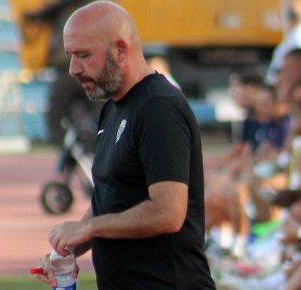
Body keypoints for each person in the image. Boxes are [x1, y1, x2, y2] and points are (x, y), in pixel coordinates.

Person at [33, 1, 216, 289]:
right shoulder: (113, 107)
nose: (72, 69)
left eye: (83, 55)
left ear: (120, 49)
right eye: (71, 56)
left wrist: (87, 227)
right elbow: (112, 198)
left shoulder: (159, 107)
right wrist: (69, 248)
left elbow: (167, 213)